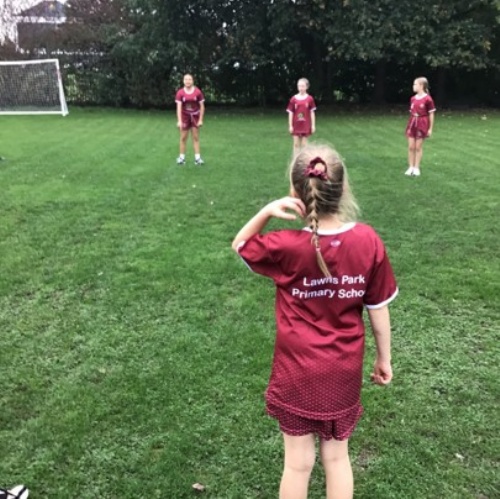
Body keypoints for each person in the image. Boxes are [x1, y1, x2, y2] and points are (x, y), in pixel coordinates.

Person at [232, 144, 398, 499]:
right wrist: (384, 359)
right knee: (337, 459)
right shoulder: (368, 241)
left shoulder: (286, 245)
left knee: (297, 464)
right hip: (343, 369)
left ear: (296, 193)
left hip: (297, 370)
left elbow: (241, 245)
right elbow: (378, 308)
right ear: (342, 188)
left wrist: (266, 211)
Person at [404, 77, 436, 177]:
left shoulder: (428, 99)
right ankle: (410, 167)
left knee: (418, 147)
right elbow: (412, 112)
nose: (413, 86)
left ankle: (416, 167)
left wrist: (430, 129)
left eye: (415, 84)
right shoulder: (412, 99)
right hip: (412, 122)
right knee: (411, 147)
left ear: (421, 86)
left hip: (422, 123)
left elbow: (431, 114)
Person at [175, 74, 205, 165]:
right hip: (185, 117)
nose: (188, 81)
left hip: (195, 116)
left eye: (189, 79)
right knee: (183, 138)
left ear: (192, 81)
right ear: (183, 81)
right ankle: (181, 158)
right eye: (186, 79)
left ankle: (197, 159)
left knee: (195, 137)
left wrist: (200, 120)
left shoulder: (198, 92)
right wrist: (179, 121)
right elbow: (179, 108)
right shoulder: (180, 93)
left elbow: (202, 107)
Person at [287, 78, 316, 156]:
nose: (301, 88)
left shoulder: (310, 99)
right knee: (296, 144)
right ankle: (295, 159)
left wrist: (313, 125)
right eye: (299, 86)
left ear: (307, 87)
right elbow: (290, 113)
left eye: (303, 86)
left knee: (304, 145)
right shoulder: (293, 99)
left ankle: (304, 160)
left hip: (305, 125)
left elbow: (312, 112)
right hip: (296, 125)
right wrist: (290, 126)